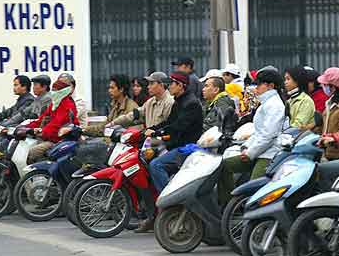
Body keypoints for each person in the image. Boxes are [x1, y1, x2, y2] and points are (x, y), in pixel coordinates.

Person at [137, 72, 202, 232]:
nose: (170, 86)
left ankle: (172, 202)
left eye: (172, 83)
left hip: (187, 148)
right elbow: (169, 122)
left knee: (156, 165)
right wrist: (152, 129)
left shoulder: (190, 103)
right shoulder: (179, 101)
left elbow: (178, 127)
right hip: (174, 145)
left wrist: (156, 133)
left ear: (181, 86)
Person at [218, 68, 287, 206]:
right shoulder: (266, 103)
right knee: (223, 166)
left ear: (271, 86)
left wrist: (250, 152)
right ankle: (230, 205)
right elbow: (258, 132)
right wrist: (246, 147)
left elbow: (269, 136)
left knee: (254, 190)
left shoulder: (275, 105)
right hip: (258, 150)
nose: (256, 88)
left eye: (259, 84)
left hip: (269, 154)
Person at [26, 80, 80, 164]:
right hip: (49, 137)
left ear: (62, 91)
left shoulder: (67, 105)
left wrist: (42, 131)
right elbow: (42, 119)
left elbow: (56, 124)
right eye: (53, 89)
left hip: (60, 140)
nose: (53, 92)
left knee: (33, 152)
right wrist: (26, 127)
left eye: (56, 90)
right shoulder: (54, 104)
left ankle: (35, 173)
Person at [109, 72, 174, 130]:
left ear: (161, 85)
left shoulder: (169, 102)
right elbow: (134, 115)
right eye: (148, 84)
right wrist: (114, 123)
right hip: (149, 141)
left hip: (162, 142)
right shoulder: (150, 102)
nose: (148, 87)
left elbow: (169, 126)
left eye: (151, 83)